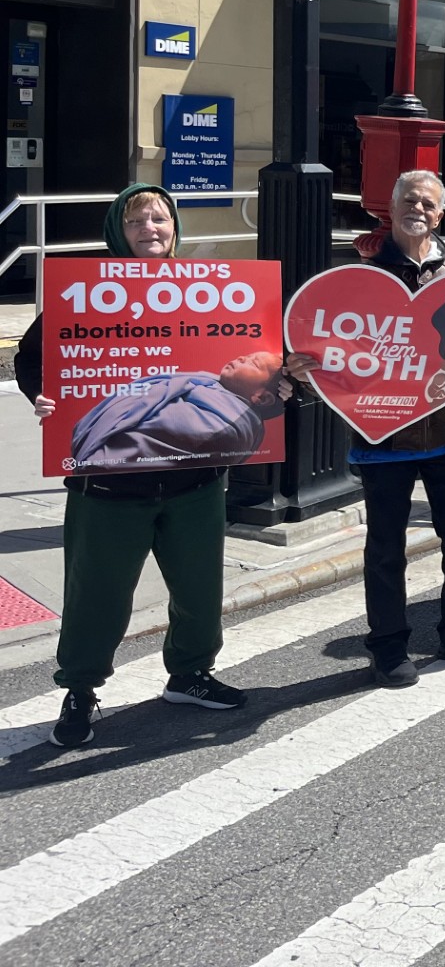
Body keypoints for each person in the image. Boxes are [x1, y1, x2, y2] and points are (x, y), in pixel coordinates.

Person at [20, 185, 269, 747]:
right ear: (118, 230)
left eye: (159, 218)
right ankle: (80, 689)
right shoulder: (84, 290)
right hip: (108, 484)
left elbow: (255, 363)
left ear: (175, 226)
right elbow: (33, 359)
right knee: (96, 595)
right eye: (136, 221)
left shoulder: (211, 289)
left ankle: (190, 674)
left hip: (194, 480)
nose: (150, 229)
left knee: (199, 590)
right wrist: (42, 396)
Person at [286, 171, 445, 689]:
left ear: (440, 214)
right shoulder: (357, 278)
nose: (419, 210)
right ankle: (388, 646)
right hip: (382, 438)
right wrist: (304, 370)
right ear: (390, 208)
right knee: (386, 550)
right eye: (409, 200)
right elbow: (329, 353)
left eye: (428, 204)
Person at [69, 352, 287, 469]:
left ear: (262, 397)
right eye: (247, 356)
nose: (241, 358)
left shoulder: (223, 426)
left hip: (128, 493)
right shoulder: (205, 383)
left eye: (253, 363)